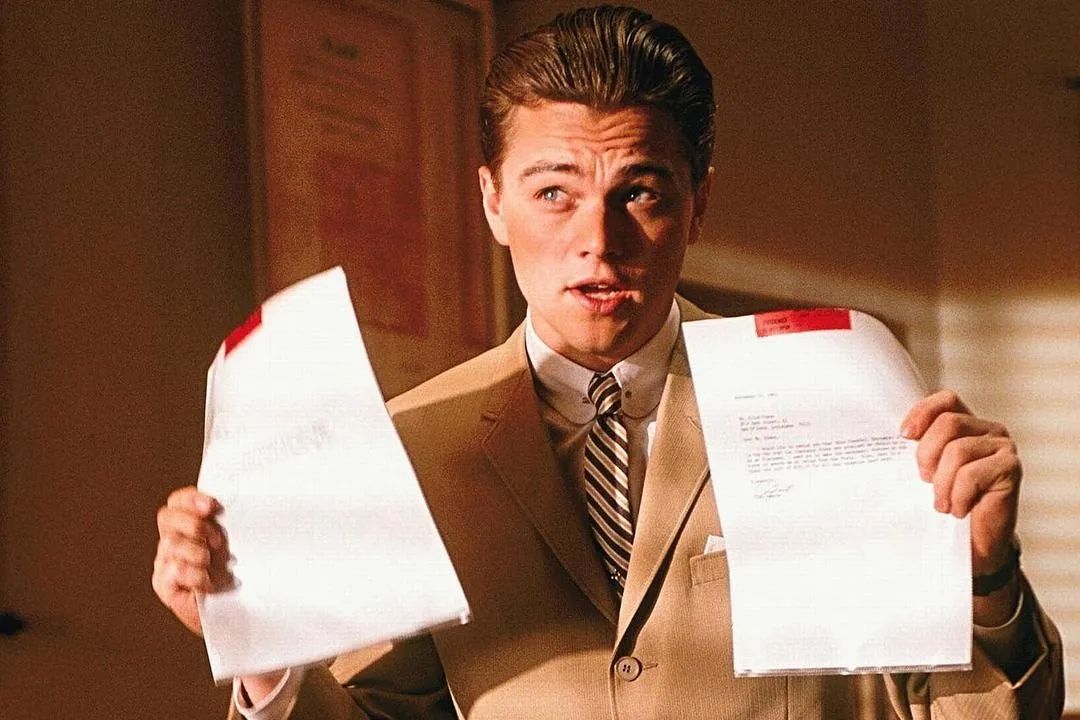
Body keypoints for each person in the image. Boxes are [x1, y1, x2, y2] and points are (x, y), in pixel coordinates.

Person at [152, 6, 1063, 718]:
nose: (598, 238)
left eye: (640, 191)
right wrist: (260, 655)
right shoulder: (410, 447)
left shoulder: (834, 399)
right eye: (555, 192)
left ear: (697, 204)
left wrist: (986, 579)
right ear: (493, 202)